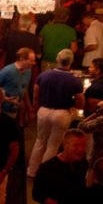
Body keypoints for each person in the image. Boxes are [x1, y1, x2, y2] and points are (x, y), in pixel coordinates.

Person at [27, 49, 83, 177]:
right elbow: (80, 100)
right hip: (62, 113)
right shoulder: (74, 80)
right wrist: (74, 108)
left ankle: (31, 171)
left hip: (44, 111)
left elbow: (36, 95)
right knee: (53, 145)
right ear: (71, 62)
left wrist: (35, 109)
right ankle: (45, 174)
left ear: (57, 59)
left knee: (40, 141)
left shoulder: (44, 75)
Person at [0, 47, 36, 121]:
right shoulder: (7, 71)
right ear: (22, 59)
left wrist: (29, 107)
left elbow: (25, 89)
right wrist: (6, 98)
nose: (34, 63)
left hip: (14, 110)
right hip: (2, 110)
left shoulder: (28, 71)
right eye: (31, 60)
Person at [38, 6, 77, 71]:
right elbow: (74, 49)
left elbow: (39, 43)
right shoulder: (71, 31)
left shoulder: (46, 27)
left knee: (47, 77)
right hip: (63, 62)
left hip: (47, 61)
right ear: (67, 17)